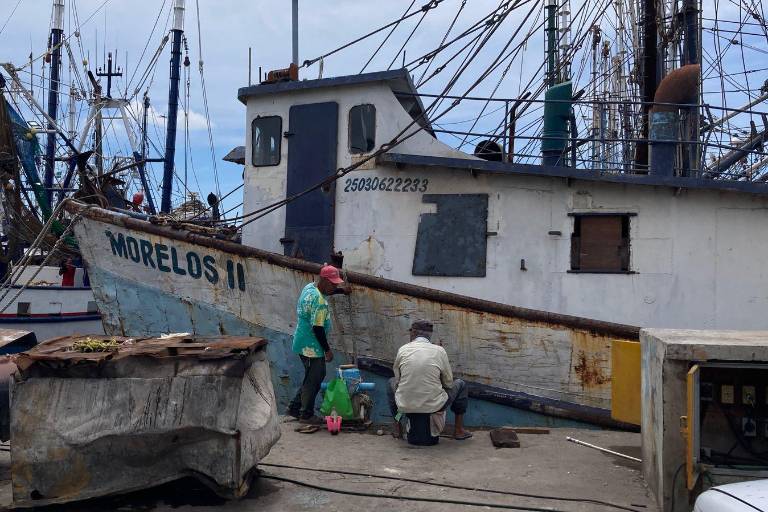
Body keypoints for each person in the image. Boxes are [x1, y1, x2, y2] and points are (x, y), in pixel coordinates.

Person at [388, 319, 472, 444]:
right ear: (429, 335)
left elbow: (398, 380)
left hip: (404, 405)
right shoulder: (439, 351)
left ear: (413, 333)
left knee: (390, 383)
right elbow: (448, 383)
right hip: (435, 406)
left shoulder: (403, 349)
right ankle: (458, 430)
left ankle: (398, 428)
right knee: (461, 384)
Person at [287, 264, 346, 423]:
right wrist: (327, 350)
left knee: (310, 377)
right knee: (315, 378)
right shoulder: (320, 302)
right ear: (324, 281)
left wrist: (341, 291)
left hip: (301, 340)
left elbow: (326, 291)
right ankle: (306, 415)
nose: (335, 287)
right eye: (333, 284)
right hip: (312, 346)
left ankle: (294, 408)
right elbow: (318, 328)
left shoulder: (310, 288)